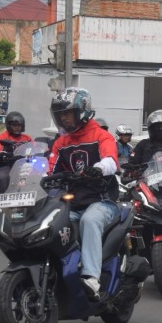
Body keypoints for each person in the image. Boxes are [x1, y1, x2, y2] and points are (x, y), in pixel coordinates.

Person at [48, 88, 120, 301]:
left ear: (83, 111)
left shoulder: (101, 135)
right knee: (50, 225)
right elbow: (49, 168)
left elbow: (111, 161)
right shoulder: (61, 142)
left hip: (102, 201)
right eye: (60, 114)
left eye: (68, 112)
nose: (63, 117)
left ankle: (91, 278)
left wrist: (98, 168)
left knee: (90, 220)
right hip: (72, 204)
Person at [0, 111, 33, 193]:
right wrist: (3, 155)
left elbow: (35, 148)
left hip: (23, 166)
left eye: (19, 125)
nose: (17, 127)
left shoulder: (27, 138)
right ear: (9, 126)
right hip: (5, 165)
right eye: (14, 125)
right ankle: (4, 202)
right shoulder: (2, 137)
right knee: (4, 177)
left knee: (36, 177)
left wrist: (44, 153)